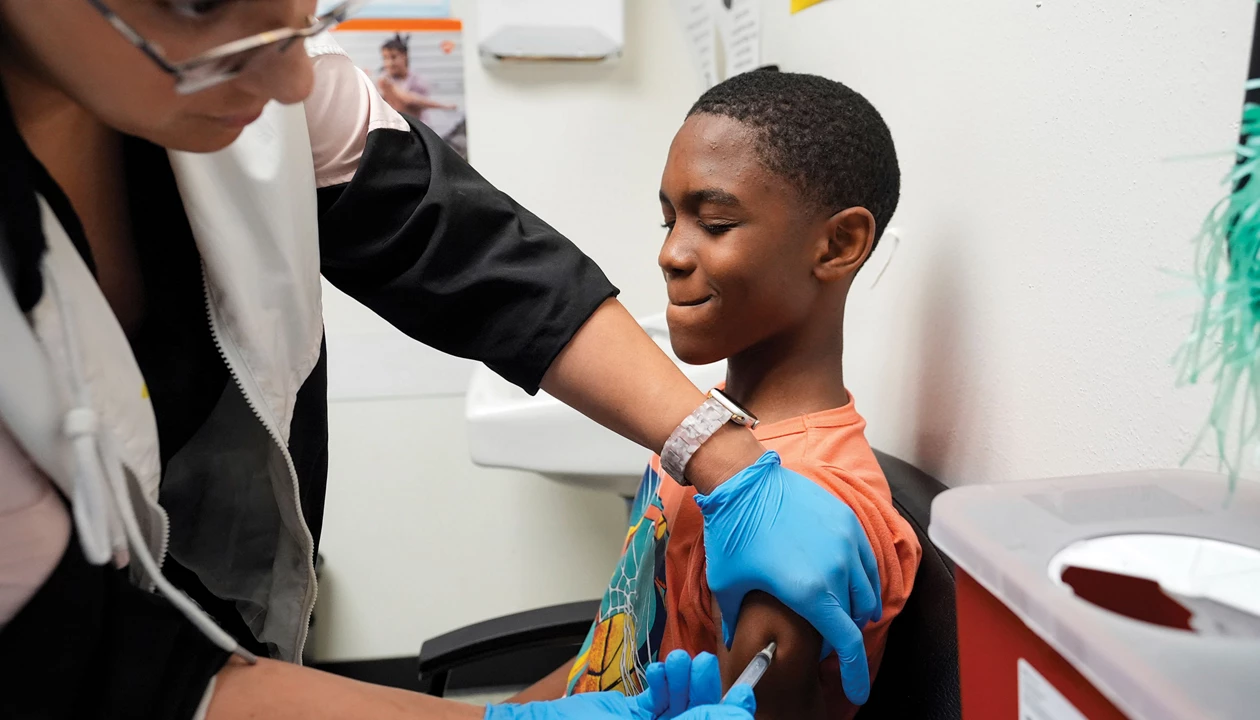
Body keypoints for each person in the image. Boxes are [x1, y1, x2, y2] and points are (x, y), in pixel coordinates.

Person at [0, 2, 879, 719]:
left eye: (305, 17)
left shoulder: (823, 491)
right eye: (200, 9)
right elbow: (94, 668)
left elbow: (477, 255)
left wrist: (715, 450)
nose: (296, 79)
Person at [514, 70, 923, 718]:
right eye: (669, 219)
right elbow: (619, 645)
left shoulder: (801, 520)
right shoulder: (710, 430)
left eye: (716, 222)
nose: (671, 253)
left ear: (839, 242)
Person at [377, 32, 454, 124]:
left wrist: (391, 89)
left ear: (404, 56)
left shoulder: (417, 80)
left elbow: (410, 100)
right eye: (385, 58)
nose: (389, 63)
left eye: (393, 57)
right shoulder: (384, 80)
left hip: (416, 127)